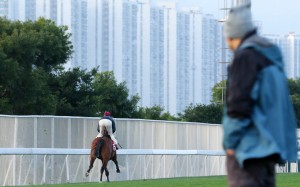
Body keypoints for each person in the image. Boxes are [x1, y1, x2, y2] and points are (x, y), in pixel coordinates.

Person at [222, 3, 297, 187]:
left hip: (249, 149)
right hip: (270, 149)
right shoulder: (271, 57)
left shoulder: (246, 57)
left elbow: (238, 106)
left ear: (233, 36)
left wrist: (230, 144)